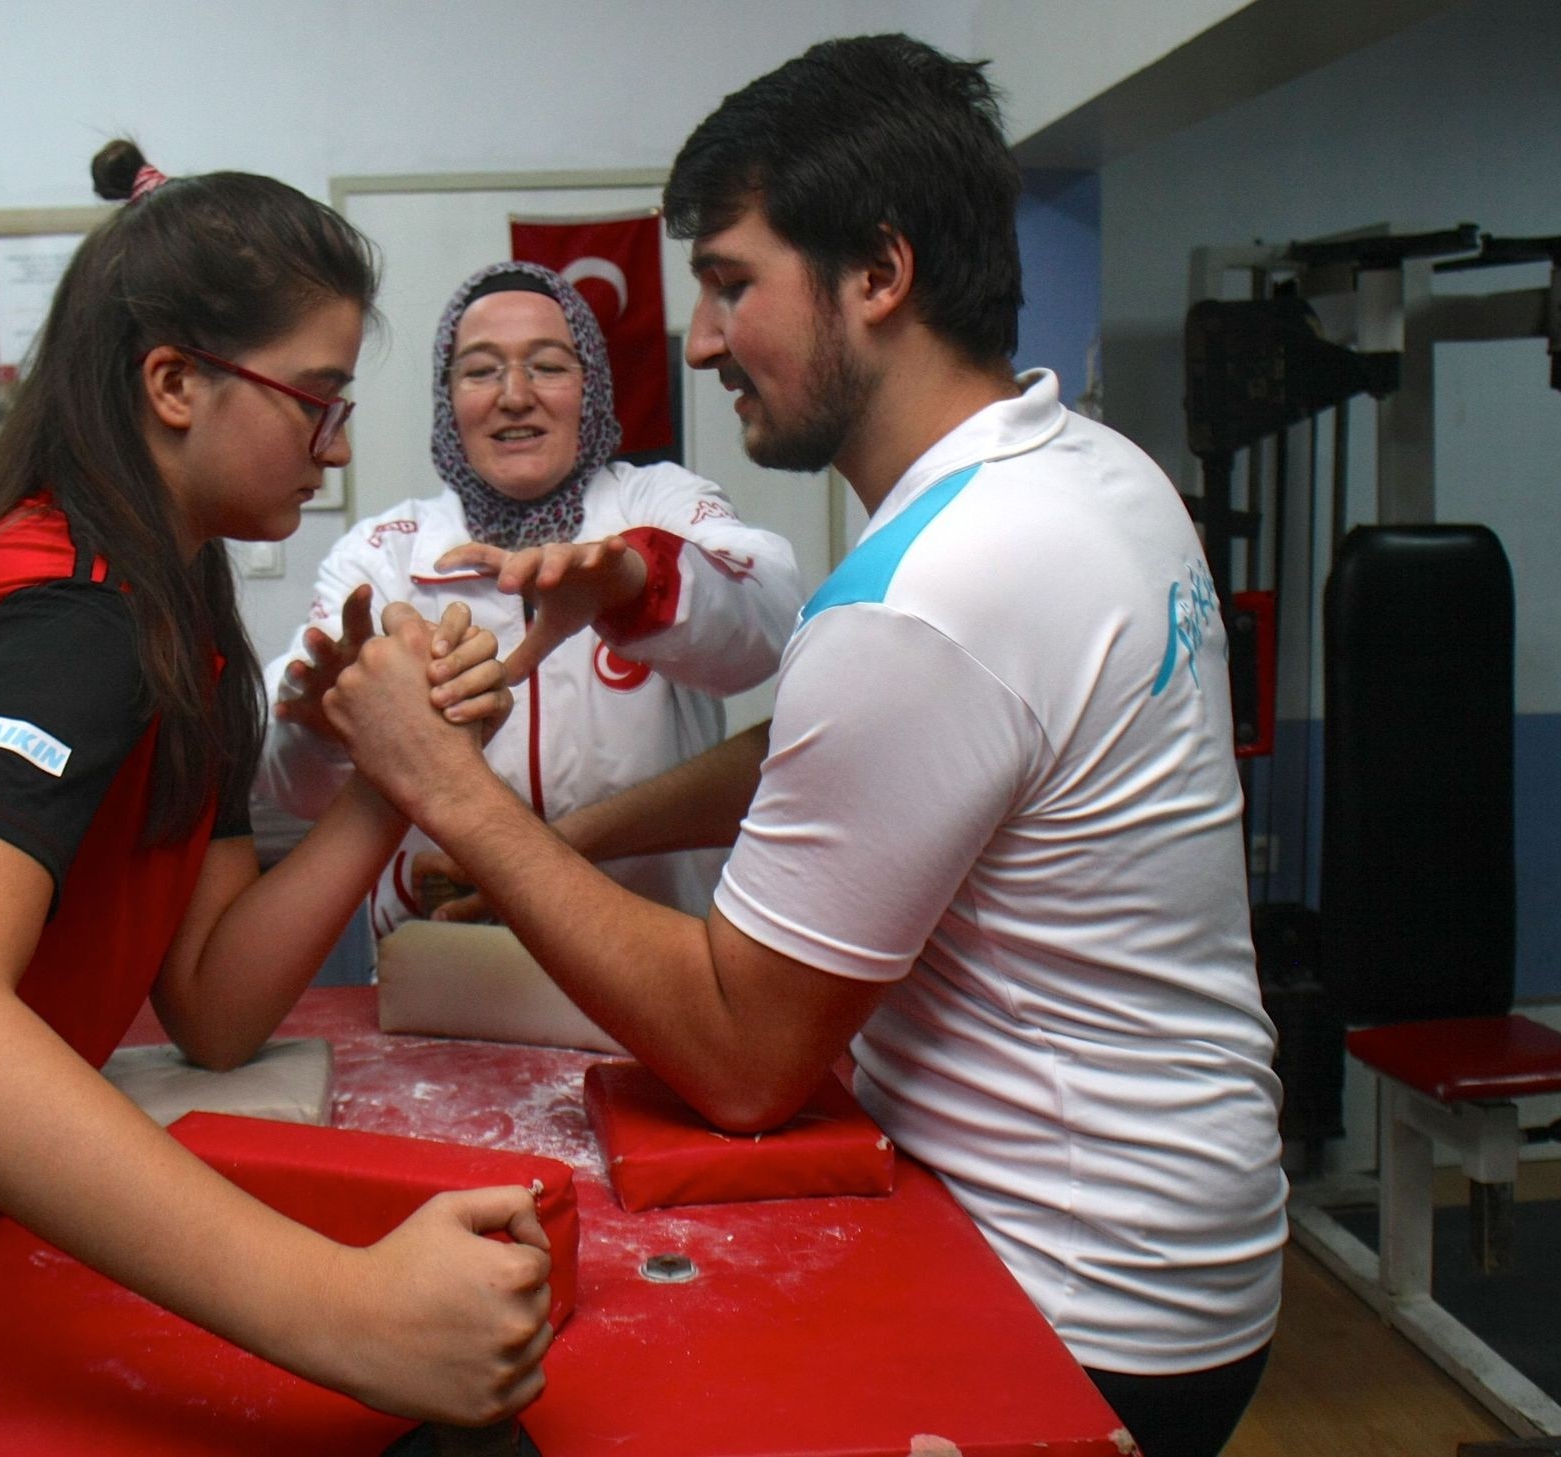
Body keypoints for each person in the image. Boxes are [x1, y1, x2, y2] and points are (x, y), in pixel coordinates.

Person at [321, 36, 1285, 1457]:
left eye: (730, 284)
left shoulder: (929, 595)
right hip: (1189, 1235)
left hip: (1071, 1296)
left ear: (877, 276)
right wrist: (575, 838)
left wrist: (445, 787)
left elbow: (741, 1057)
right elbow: (840, 753)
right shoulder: (1090, 471)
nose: (703, 343)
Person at [0, 140, 552, 1455]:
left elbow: (217, 1004)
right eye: (315, 400)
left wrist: (392, 777)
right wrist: (348, 1307)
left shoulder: (179, 614)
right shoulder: (66, 620)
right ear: (173, 383)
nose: (331, 448)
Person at [256, 261, 800, 934]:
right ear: (447, 398)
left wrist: (631, 584)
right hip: (441, 976)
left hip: (650, 959)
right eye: (481, 371)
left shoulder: (657, 504)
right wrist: (316, 722)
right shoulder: (385, 553)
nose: (514, 396)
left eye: (548, 366)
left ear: (591, 390)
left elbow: (770, 621)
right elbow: (301, 789)